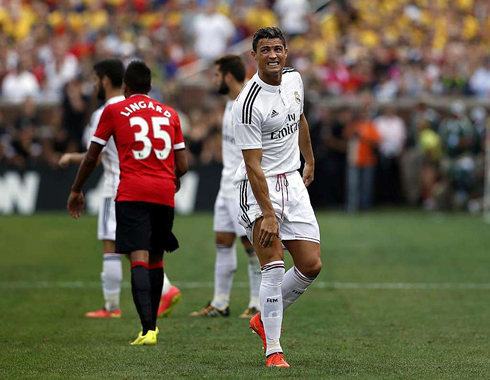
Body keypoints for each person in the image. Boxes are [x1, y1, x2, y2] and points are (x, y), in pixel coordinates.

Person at [67, 60, 188, 345]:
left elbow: (91, 156)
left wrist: (76, 190)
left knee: (138, 258)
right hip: (163, 193)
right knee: (157, 258)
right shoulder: (170, 113)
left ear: (125, 87)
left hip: (132, 192)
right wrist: (171, 177)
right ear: (150, 87)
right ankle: (154, 326)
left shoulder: (114, 109)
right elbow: (182, 164)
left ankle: (147, 330)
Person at [232, 27, 322, 368]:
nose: (273, 55)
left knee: (311, 264)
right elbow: (253, 166)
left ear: (286, 53)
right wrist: (268, 214)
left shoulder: (295, 80)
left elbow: (299, 119)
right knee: (273, 268)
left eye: (278, 49)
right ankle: (274, 349)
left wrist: (309, 159)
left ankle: (263, 318)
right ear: (253, 56)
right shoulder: (247, 103)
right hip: (259, 188)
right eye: (265, 49)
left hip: (292, 182)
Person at [190, 55, 261, 319]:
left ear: (228, 76)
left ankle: (256, 302)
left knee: (250, 244)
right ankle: (220, 302)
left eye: (217, 75)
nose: (214, 80)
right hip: (225, 183)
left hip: (243, 184)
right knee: (222, 240)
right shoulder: (230, 103)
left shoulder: (249, 103)